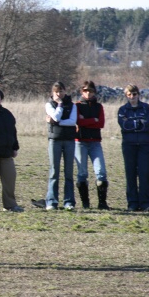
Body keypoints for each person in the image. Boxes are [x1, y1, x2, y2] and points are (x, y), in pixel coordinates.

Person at [74, 80, 109, 209]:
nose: (88, 93)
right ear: (81, 92)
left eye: (91, 91)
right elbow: (78, 121)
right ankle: (85, 203)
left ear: (94, 92)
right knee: (82, 173)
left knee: (101, 172)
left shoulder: (99, 107)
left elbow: (101, 124)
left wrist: (86, 121)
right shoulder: (77, 106)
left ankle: (102, 203)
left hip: (95, 142)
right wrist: (92, 120)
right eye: (85, 91)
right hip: (80, 142)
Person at [117, 84, 149, 212]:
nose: (132, 97)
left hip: (144, 145)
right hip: (128, 145)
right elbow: (124, 125)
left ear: (138, 94)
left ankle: (145, 203)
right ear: (126, 96)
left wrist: (133, 123)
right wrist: (138, 123)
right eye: (129, 95)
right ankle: (132, 203)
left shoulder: (146, 108)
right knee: (130, 174)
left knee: (144, 174)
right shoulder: (122, 110)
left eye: (134, 94)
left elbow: (147, 125)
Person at [45, 81, 77, 211]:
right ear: (53, 93)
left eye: (61, 91)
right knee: (54, 171)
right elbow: (56, 116)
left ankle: (69, 201)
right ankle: (52, 201)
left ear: (65, 91)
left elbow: (72, 121)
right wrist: (59, 106)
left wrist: (56, 121)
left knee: (68, 172)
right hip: (55, 140)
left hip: (69, 140)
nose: (59, 94)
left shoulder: (72, 105)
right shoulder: (49, 104)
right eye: (56, 92)